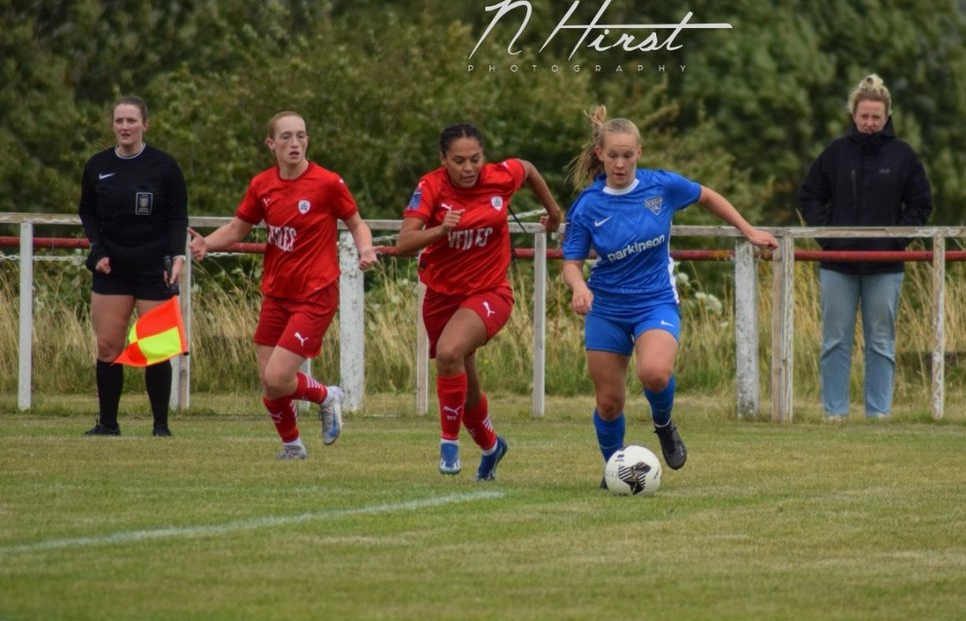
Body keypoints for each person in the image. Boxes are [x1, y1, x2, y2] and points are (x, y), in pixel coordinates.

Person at [561, 106, 778, 484]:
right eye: (613, 155)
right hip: (607, 307)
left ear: (639, 153)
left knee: (654, 373)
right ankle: (616, 468)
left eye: (628, 155)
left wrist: (748, 230)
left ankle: (663, 424)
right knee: (609, 403)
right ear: (600, 154)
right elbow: (571, 263)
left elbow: (708, 196)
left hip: (654, 300)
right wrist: (579, 287)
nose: (620, 163)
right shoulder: (588, 206)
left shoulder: (661, 187)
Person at [188, 111, 377, 460]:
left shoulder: (327, 183)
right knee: (269, 381)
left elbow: (357, 222)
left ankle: (326, 396)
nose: (295, 143)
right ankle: (292, 446)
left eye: (301, 136)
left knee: (278, 377)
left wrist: (365, 249)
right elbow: (237, 228)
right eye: (287, 137)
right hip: (276, 292)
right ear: (271, 144)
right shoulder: (262, 184)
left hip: (315, 294)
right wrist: (206, 244)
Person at [393, 123, 562, 480]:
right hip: (441, 297)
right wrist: (440, 230)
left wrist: (554, 213)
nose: (468, 168)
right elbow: (403, 243)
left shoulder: (500, 177)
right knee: (467, 391)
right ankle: (491, 447)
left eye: (475, 159)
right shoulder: (430, 187)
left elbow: (528, 169)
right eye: (458, 161)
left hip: (490, 292)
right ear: (443, 160)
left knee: (451, 352)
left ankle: (448, 444)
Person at [798, 74, 932, 420]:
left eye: (876, 116)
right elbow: (811, 196)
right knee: (834, 342)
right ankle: (834, 414)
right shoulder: (835, 153)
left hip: (885, 267)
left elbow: (920, 204)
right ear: (853, 115)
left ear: (887, 116)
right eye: (864, 116)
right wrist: (828, 237)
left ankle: (879, 415)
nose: (870, 123)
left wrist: (896, 241)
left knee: (881, 343)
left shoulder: (903, 156)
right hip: (837, 265)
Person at [79, 95, 189, 437]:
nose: (125, 127)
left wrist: (177, 256)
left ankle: (160, 426)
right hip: (113, 267)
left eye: (131, 121)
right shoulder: (97, 165)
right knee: (109, 345)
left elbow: (176, 216)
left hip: (153, 265)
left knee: (156, 348)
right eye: (119, 121)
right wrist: (97, 251)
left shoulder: (164, 166)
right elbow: (88, 213)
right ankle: (108, 424)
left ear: (145, 125)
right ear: (113, 125)